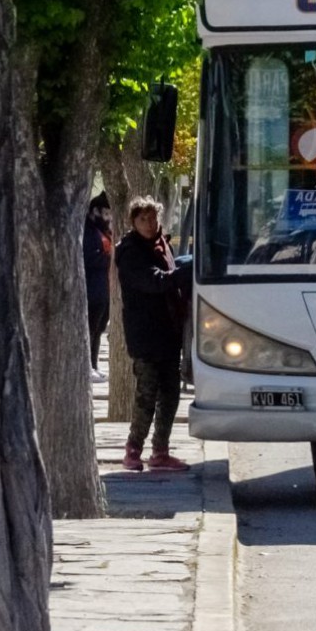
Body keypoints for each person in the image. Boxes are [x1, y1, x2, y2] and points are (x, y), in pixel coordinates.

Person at [114, 196, 190, 473]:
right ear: (133, 222)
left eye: (152, 218)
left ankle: (161, 451)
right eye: (143, 219)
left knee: (170, 394)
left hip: (169, 333)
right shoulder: (130, 251)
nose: (149, 223)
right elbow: (155, 281)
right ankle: (133, 450)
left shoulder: (162, 244)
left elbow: (169, 272)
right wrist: (184, 273)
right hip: (146, 335)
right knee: (147, 395)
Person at [83, 193, 113, 382]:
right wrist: (109, 258)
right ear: (95, 211)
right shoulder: (88, 231)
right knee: (90, 329)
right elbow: (89, 258)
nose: (109, 217)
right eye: (106, 213)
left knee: (99, 329)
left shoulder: (103, 231)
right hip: (92, 289)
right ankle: (87, 366)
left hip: (104, 288)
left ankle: (94, 365)